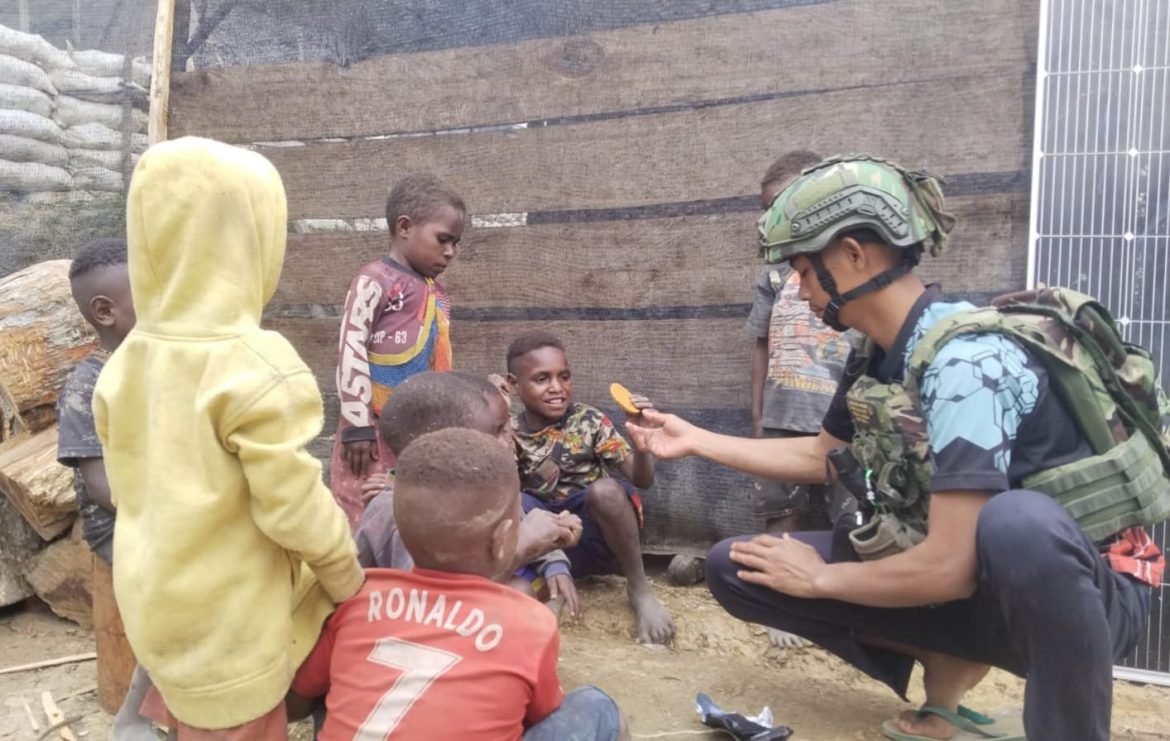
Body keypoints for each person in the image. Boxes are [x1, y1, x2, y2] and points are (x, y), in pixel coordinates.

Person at [626, 155, 1164, 741]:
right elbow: (817, 456)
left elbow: (948, 568)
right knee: (739, 567)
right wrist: (694, 439)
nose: (796, 288)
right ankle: (947, 663)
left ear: (855, 256)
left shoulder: (967, 365)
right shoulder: (877, 352)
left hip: (1087, 595)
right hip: (979, 580)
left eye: (804, 270)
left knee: (1018, 522)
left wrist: (822, 580)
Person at [93, 137, 364, 738]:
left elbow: (126, 477)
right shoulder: (256, 366)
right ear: (255, 240)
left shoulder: (126, 359)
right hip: (229, 627)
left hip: (151, 597)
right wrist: (345, 574)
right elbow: (291, 507)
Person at [290, 428, 629, 740]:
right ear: (502, 540)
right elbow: (537, 713)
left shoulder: (356, 601)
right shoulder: (530, 623)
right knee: (597, 706)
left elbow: (298, 702)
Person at [354, 371, 584, 617]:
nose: (508, 440)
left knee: (522, 590)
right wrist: (522, 547)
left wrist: (551, 553)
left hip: (446, 611)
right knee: (518, 594)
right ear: (440, 445)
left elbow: (519, 521)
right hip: (406, 624)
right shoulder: (400, 512)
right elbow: (430, 604)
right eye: (496, 431)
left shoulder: (479, 490)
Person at [506, 331, 674, 645]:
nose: (557, 388)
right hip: (545, 543)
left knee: (607, 491)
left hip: (597, 539)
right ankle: (554, 581)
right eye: (542, 379)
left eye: (564, 376)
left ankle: (639, 588)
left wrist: (643, 442)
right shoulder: (510, 432)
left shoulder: (589, 420)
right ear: (514, 384)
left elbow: (642, 480)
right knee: (513, 498)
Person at [58, 238, 154, 740]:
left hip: (167, 513)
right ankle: (137, 720)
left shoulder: (159, 367)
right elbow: (102, 487)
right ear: (105, 310)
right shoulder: (87, 383)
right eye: (148, 294)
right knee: (183, 592)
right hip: (119, 524)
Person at [331, 173, 466, 529]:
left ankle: (402, 581)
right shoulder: (374, 280)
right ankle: (358, 581)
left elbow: (440, 362)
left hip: (416, 428)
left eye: (456, 243)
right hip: (369, 429)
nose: (451, 252)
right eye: (443, 239)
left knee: (406, 507)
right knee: (361, 504)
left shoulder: (436, 293)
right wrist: (357, 425)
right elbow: (351, 345)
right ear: (405, 227)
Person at [747, 149, 854, 534]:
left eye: (779, 206)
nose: (771, 218)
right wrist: (760, 416)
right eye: (766, 209)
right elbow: (761, 343)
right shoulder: (774, 274)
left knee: (851, 518)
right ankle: (779, 590)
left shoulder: (849, 266)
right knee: (778, 517)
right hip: (782, 416)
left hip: (843, 418)